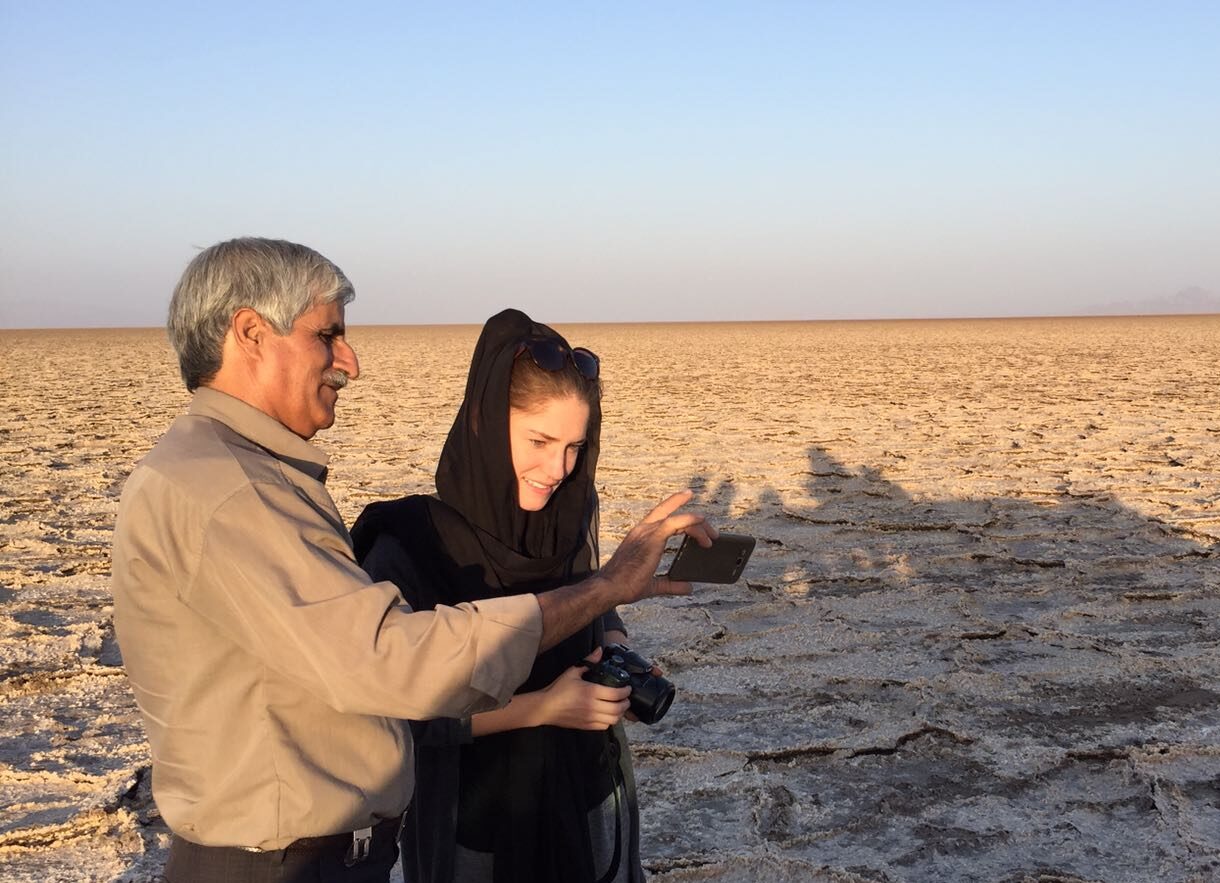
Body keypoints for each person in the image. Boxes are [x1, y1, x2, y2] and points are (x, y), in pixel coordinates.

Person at [110, 238, 714, 883]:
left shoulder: (246, 476)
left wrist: (607, 623)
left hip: (348, 847)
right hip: (288, 860)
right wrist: (599, 601)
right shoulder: (235, 492)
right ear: (251, 333)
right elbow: (390, 668)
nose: (351, 361)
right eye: (328, 333)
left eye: (575, 448)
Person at [351, 309, 649, 883]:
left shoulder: (571, 511)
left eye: (574, 447)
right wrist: (539, 709)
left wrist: (615, 647)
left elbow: (592, 594)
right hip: (476, 821)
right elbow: (396, 714)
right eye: (539, 440)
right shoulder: (410, 543)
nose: (557, 468)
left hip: (588, 794)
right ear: (486, 423)